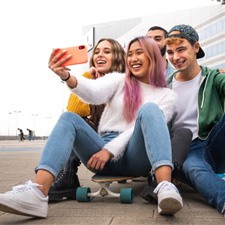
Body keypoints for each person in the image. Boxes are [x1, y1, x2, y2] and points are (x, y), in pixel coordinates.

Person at [0, 36, 183, 218]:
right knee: (68, 118)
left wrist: (110, 150)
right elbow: (93, 92)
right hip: (101, 156)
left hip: (136, 156)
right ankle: (37, 193)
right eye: (130, 54)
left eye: (139, 53)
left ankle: (165, 188)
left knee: (150, 110)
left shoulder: (167, 95)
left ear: (153, 57)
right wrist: (67, 76)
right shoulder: (119, 80)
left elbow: (139, 129)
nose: (133, 58)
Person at [48, 38, 126, 202]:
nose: (99, 55)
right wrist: (87, 75)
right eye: (97, 52)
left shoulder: (127, 82)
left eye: (107, 51)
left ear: (118, 56)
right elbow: (74, 112)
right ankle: (66, 176)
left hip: (123, 148)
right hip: (99, 145)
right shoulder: (92, 82)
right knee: (74, 120)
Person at [165, 24, 225, 215]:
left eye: (181, 49)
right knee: (194, 169)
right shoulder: (166, 85)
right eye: (170, 52)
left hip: (214, 140)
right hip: (186, 148)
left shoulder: (213, 78)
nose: (176, 57)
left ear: (196, 47)